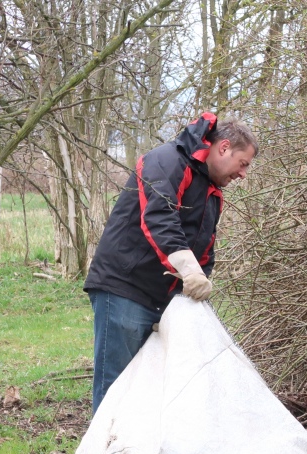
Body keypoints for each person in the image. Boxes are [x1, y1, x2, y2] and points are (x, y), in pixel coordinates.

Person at [83, 112, 257, 412]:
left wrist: (199, 282)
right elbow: (160, 218)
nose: (243, 174)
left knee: (148, 387)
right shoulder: (167, 161)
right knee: (116, 386)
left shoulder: (211, 190)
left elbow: (205, 244)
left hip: (161, 297)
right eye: (243, 164)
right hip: (124, 286)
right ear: (224, 147)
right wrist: (189, 272)